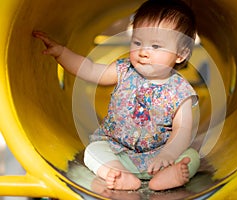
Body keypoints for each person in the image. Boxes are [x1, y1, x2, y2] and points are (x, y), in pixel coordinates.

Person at [33, 0, 200, 191]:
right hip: (118, 152)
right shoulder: (123, 70)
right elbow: (90, 70)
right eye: (137, 42)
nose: (143, 52)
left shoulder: (181, 90)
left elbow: (183, 128)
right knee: (92, 152)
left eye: (156, 46)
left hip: (159, 158)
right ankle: (120, 174)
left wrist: (168, 155)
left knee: (190, 156)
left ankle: (168, 176)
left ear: (180, 54)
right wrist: (62, 53)